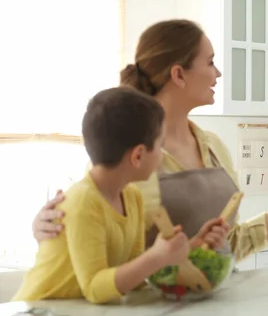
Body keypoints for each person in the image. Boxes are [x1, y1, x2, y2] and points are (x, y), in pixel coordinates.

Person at [32, 19, 268, 264]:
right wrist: (46, 229)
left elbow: (231, 244)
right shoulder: (129, 151)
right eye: (210, 62)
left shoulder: (213, 147)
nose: (219, 74)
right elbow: (93, 251)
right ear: (179, 74)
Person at [13, 87, 226, 304]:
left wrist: (190, 247)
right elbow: (94, 288)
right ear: (138, 155)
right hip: (34, 315)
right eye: (160, 145)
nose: (162, 155)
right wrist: (157, 256)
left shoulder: (132, 198)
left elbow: (133, 277)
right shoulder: (84, 201)